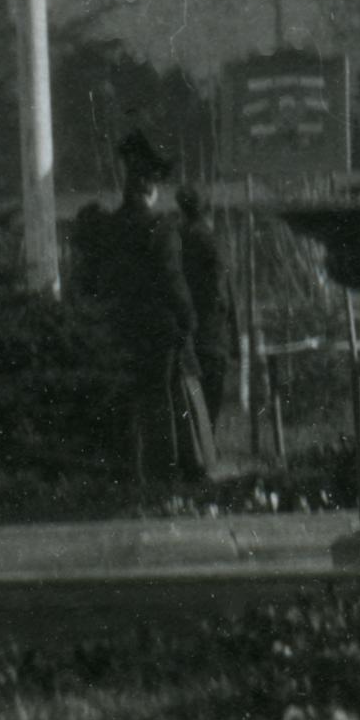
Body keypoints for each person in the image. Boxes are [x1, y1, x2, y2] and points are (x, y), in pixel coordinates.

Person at [76, 130, 231, 497]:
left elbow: (99, 278)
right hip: (159, 329)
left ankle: (138, 471)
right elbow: (172, 280)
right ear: (149, 188)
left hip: (120, 325)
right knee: (163, 399)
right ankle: (167, 476)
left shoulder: (112, 227)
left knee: (133, 400)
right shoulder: (161, 228)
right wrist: (188, 320)